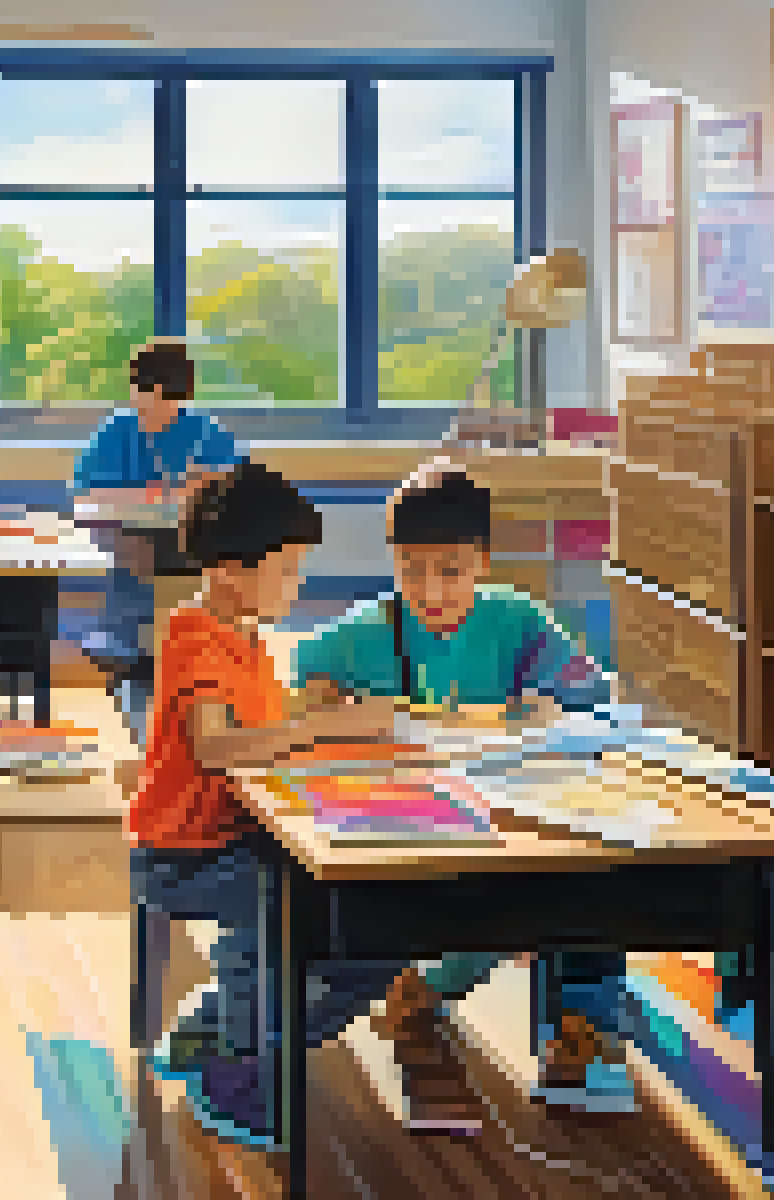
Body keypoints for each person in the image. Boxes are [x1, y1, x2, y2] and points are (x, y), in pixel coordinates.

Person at [294, 462, 629, 1126]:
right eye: (411, 569)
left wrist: (553, 711)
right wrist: (327, 703)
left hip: (511, 806)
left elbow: (595, 699)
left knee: (590, 879)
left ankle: (577, 1037)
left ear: (482, 560)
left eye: (451, 570)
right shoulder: (367, 632)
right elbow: (297, 685)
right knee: (477, 909)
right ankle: (423, 989)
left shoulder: (516, 622)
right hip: (408, 819)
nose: (430, 589)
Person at [133, 461, 403, 1147]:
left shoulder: (247, 636)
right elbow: (218, 745)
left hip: (241, 837)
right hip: (182, 854)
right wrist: (320, 727)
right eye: (287, 571)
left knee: (377, 925)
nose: (298, 583)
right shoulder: (195, 633)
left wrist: (316, 707)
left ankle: (215, 1029)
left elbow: (261, 722)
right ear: (230, 570)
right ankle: (238, 1068)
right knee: (284, 902)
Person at [70, 342, 247, 679]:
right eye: (145, 398)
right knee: (138, 554)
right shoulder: (116, 431)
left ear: (183, 398)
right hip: (128, 537)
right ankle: (130, 645)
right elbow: (88, 493)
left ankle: (192, 646)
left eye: (166, 401)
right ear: (134, 391)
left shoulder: (204, 432)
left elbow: (228, 488)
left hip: (191, 537)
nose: (154, 411)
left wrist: (189, 491)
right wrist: (161, 492)